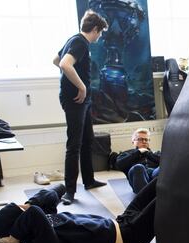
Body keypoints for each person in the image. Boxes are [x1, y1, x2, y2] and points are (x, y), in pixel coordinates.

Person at [0, 180, 157, 243]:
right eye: (20, 211)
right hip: (130, 237)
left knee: (159, 181)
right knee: (166, 197)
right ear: (19, 226)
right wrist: (15, 236)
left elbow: (56, 191)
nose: (24, 209)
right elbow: (35, 213)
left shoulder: (43, 221)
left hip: (122, 221)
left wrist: (26, 204)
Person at [53, 10, 109, 205]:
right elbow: (65, 64)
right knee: (74, 144)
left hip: (81, 100)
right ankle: (69, 191)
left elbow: (56, 60)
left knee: (88, 140)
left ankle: (89, 180)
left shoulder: (74, 39)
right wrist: (81, 86)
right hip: (75, 100)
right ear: (95, 29)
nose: (100, 36)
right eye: (100, 32)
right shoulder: (80, 43)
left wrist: (72, 83)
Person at [115, 128, 161, 193]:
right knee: (138, 167)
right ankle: (144, 196)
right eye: (140, 139)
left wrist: (148, 153)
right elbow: (119, 165)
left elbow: (165, 162)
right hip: (138, 177)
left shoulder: (155, 153)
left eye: (146, 139)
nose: (144, 141)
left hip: (154, 175)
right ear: (133, 141)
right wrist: (138, 152)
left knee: (164, 166)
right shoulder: (127, 153)